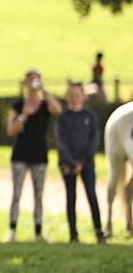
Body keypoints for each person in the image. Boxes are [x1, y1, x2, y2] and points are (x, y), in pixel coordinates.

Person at [5, 69, 62, 242]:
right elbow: (10, 130)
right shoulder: (18, 105)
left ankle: (38, 231)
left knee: (38, 195)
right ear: (25, 83)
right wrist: (24, 116)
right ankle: (12, 230)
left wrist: (46, 92)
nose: (33, 82)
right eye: (30, 79)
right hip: (20, 154)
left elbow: (58, 110)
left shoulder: (45, 105)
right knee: (16, 193)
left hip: (39, 155)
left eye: (36, 79)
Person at [56, 82, 107, 244]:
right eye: (71, 94)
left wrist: (82, 162)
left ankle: (99, 232)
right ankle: (73, 234)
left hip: (87, 164)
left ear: (83, 97)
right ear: (67, 97)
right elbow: (61, 142)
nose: (74, 98)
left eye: (77, 95)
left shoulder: (90, 117)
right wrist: (71, 162)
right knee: (71, 198)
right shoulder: (62, 118)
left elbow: (94, 141)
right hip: (67, 164)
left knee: (92, 196)